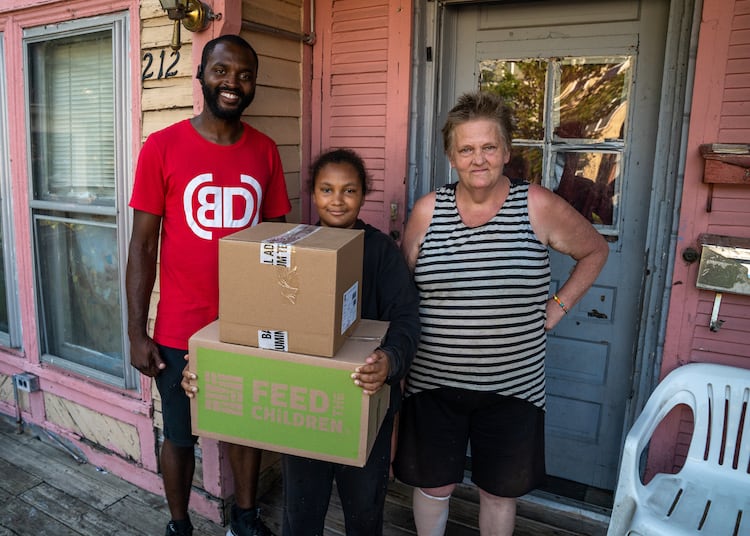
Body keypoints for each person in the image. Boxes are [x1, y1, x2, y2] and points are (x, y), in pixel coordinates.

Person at [392, 91, 609, 536]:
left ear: (507, 152)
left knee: (498, 493)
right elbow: (402, 293)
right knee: (435, 485)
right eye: (466, 149)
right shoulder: (426, 212)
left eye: (489, 147)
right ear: (451, 156)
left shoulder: (537, 206)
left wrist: (556, 308)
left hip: (512, 387)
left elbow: (594, 251)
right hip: (433, 383)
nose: (479, 159)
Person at [182, 148, 421, 535]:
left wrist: (390, 361)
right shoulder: (288, 251)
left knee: (364, 511)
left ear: (363, 195)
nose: (338, 199)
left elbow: (408, 318)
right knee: (302, 514)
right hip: (304, 406)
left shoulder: (380, 253)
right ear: (312, 193)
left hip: (364, 398)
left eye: (349, 190)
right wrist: (207, 365)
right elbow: (252, 322)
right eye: (327, 189)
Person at [126, 35, 291, 536]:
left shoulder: (265, 150)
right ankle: (180, 526)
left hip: (247, 324)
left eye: (244, 75)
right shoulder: (163, 146)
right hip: (180, 327)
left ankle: (244, 517)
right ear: (201, 74)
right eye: (222, 71)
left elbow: (279, 244)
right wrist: (136, 331)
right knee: (179, 435)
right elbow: (142, 248)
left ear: (254, 83)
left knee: (247, 427)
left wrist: (282, 323)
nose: (232, 83)